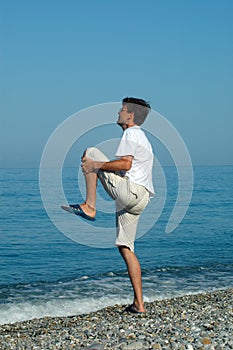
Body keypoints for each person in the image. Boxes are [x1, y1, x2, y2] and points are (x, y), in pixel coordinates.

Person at [62, 97, 155, 313]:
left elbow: (125, 163)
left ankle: (90, 206)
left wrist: (96, 165)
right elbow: (130, 168)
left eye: (122, 110)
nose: (119, 113)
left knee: (91, 153)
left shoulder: (131, 132)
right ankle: (139, 304)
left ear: (130, 115)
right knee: (126, 247)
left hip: (131, 193)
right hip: (140, 199)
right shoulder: (143, 138)